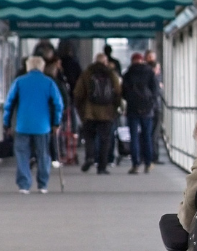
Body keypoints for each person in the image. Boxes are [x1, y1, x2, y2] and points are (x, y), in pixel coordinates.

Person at [2, 55, 63, 194]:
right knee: (43, 155)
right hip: (43, 126)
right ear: (42, 67)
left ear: (28, 67)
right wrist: (56, 122)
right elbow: (58, 104)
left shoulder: (19, 82)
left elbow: (9, 104)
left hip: (22, 124)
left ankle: (24, 184)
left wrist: (6, 123)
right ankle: (43, 184)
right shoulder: (49, 82)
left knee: (22, 154)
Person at [73, 52, 121, 175]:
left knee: (89, 137)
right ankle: (102, 167)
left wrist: (81, 109)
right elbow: (118, 92)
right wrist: (115, 108)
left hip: (89, 112)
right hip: (107, 112)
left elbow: (78, 93)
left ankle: (90, 157)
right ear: (106, 62)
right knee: (105, 140)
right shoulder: (111, 74)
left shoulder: (87, 74)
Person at [122, 52, 158, 174]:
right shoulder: (149, 72)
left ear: (132, 61)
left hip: (132, 109)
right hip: (147, 110)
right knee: (147, 136)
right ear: (142, 60)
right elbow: (155, 90)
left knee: (134, 137)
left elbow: (123, 92)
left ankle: (135, 164)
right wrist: (150, 103)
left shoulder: (128, 74)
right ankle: (148, 163)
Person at [145, 49, 165, 164]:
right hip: (154, 107)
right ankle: (153, 156)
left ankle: (148, 156)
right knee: (154, 133)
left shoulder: (144, 76)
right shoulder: (153, 78)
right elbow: (157, 92)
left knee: (149, 133)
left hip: (147, 108)